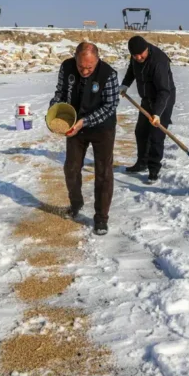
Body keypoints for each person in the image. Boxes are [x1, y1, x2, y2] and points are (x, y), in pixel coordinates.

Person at [50, 42, 120, 235]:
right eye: (81, 66)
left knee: (103, 172)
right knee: (71, 167)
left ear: (97, 60)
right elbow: (60, 93)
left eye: (90, 67)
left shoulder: (109, 74)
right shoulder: (67, 67)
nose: (85, 70)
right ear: (75, 59)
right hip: (75, 125)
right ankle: (76, 203)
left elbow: (110, 106)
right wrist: (54, 110)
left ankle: (101, 218)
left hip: (102, 127)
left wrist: (85, 121)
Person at [119, 36, 176, 183]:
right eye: (135, 55)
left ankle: (153, 170)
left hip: (163, 98)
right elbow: (132, 70)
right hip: (146, 98)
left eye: (141, 54)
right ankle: (142, 163)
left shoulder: (159, 61)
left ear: (146, 49)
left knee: (156, 135)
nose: (138, 58)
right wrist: (125, 84)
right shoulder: (135, 58)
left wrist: (157, 113)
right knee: (141, 131)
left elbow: (164, 91)